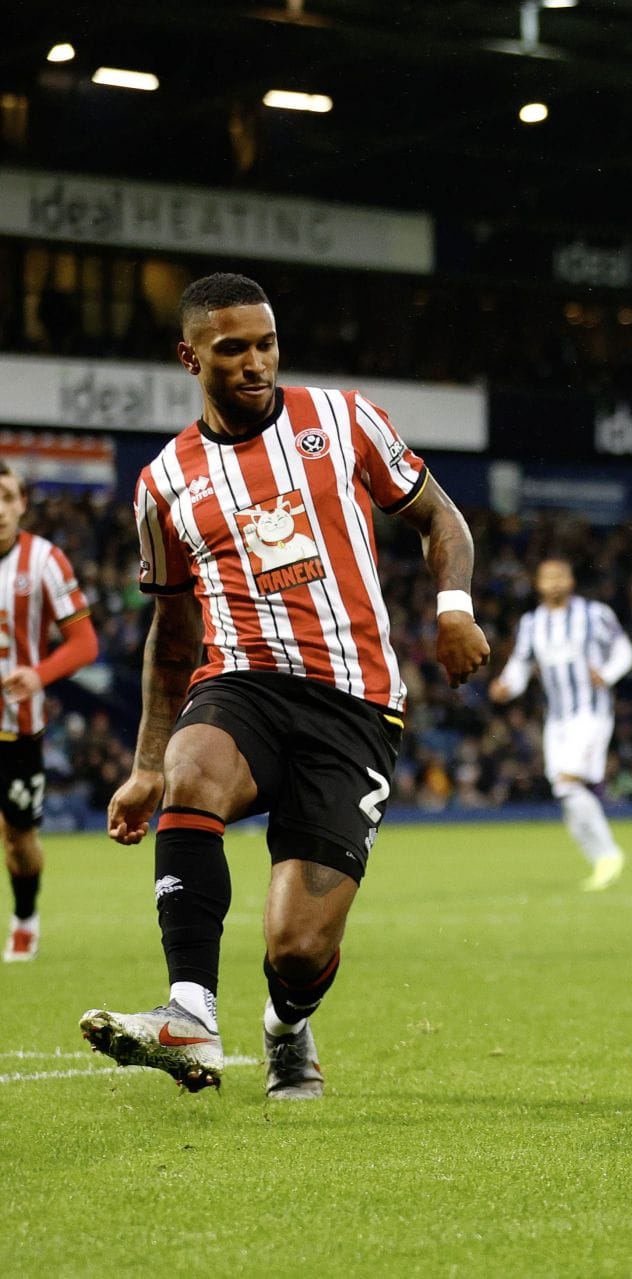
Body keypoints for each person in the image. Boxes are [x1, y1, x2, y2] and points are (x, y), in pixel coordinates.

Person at [81, 272, 490, 1097]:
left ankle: (286, 1026)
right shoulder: (164, 483)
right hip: (242, 682)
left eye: (266, 343)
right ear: (190, 356)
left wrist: (454, 608)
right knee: (194, 771)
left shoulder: (342, 420)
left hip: (357, 703)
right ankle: (189, 1013)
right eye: (233, 349)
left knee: (296, 950)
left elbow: (440, 516)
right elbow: (172, 635)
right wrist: (147, 763)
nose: (256, 362)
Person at [0, 463, 100, 962]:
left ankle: (24, 921)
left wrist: (38, 675)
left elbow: (84, 643)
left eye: (6, 496)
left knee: (18, 840)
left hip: (16, 729)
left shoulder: (44, 561)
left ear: (21, 504)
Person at [488, 558, 632, 889]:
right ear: (538, 583)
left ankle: (609, 855)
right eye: (547, 577)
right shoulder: (531, 623)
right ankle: (601, 860)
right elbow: (520, 666)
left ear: (571, 580)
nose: (554, 582)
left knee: (568, 783)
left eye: (560, 576)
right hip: (557, 718)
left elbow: (625, 651)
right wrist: (507, 686)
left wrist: (607, 675)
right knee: (565, 791)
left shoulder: (594, 614)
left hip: (591, 711)